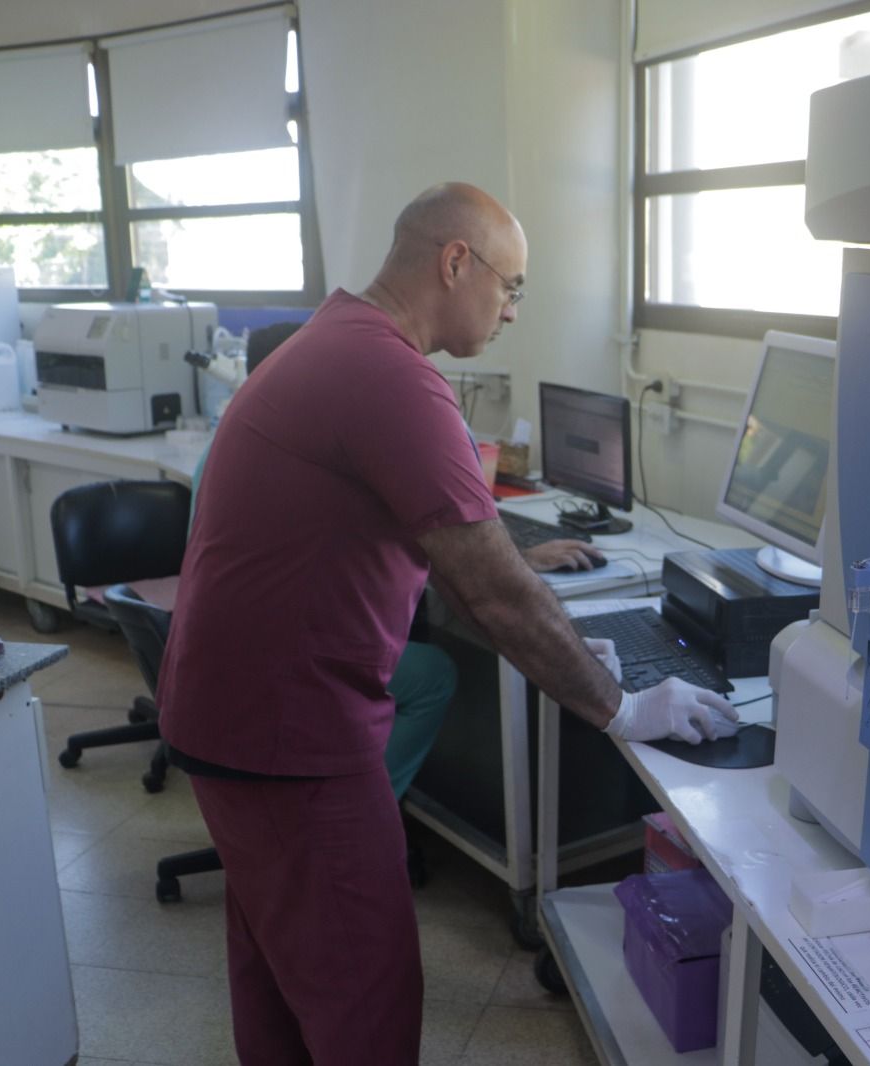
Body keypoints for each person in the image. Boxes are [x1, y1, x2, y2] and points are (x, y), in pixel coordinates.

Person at [156, 182, 738, 1065]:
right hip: (289, 737)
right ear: (456, 262)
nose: (512, 312)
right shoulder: (390, 375)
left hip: (232, 715)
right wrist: (622, 707)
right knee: (365, 997)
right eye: (511, 287)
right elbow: (494, 592)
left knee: (279, 973)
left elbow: (465, 573)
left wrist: (566, 644)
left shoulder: (341, 338)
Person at [186, 320, 602, 802]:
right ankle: (365, 804)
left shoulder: (238, 439)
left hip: (226, 652)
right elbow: (447, 557)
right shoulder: (295, 443)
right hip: (280, 662)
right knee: (433, 675)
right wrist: (515, 559)